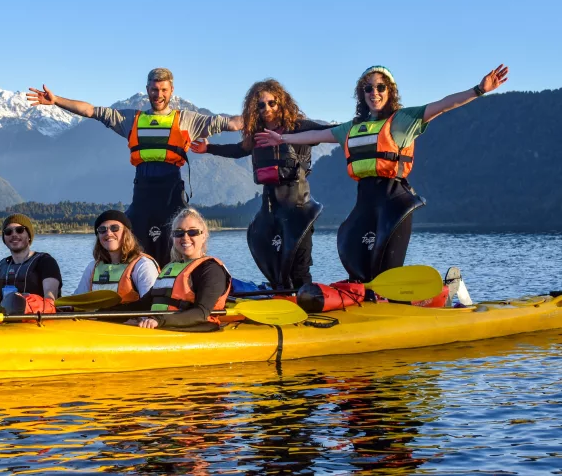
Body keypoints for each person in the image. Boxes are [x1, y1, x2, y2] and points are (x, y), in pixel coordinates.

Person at [256, 65, 509, 284]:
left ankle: (409, 303)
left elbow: (443, 105)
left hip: (394, 206)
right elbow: (315, 135)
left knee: (386, 273)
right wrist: (282, 138)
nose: (374, 93)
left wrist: (479, 90)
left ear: (390, 91)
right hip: (365, 205)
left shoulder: (403, 120)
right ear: (362, 93)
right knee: (357, 264)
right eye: (368, 88)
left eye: (380, 87)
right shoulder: (352, 128)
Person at [27, 68, 243, 266]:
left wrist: (269, 115)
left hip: (171, 191)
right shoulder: (131, 119)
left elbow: (231, 123)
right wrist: (56, 100)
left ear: (172, 91)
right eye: (154, 89)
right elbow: (91, 111)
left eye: (163, 90)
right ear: (147, 90)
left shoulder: (186, 120)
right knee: (125, 235)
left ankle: (192, 280)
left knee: (186, 234)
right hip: (143, 191)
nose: (158, 94)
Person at [191, 79, 333, 289]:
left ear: (281, 102)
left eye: (271, 103)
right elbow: (238, 150)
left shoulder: (299, 127)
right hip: (271, 208)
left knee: (299, 268)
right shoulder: (257, 134)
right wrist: (209, 148)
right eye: (260, 105)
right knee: (276, 264)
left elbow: (333, 132)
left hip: (299, 207)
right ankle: (281, 301)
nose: (266, 108)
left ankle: (306, 305)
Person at [126, 207, 232, 331]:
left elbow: (201, 313)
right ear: (173, 237)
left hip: (198, 330)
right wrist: (102, 312)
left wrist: (158, 321)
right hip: (163, 326)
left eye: (192, 232)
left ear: (203, 236)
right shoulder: (170, 268)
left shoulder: (211, 269)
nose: (185, 237)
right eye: (179, 233)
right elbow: (142, 304)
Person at [73, 210, 159, 303]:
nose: (108, 233)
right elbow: (78, 301)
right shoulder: (92, 267)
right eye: (102, 230)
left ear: (127, 233)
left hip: (132, 317)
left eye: (114, 228)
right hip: (95, 317)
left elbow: (151, 304)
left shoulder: (143, 265)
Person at [0, 214, 62, 308]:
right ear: (4, 238)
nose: (14, 235)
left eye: (20, 230)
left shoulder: (46, 262)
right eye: (8, 232)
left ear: (29, 236)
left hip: (38, 320)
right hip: (6, 321)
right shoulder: (0, 268)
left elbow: (50, 298)